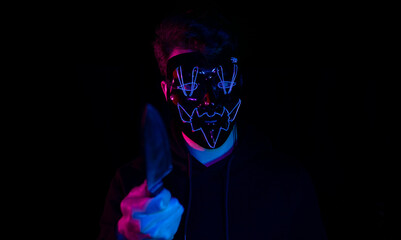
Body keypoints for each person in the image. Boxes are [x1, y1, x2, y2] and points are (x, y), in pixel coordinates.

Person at [97, 10, 327, 240]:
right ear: (167, 91)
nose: (208, 99)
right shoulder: (132, 185)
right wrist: (124, 236)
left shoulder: (288, 182)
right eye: (189, 83)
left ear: (239, 81)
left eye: (224, 80)